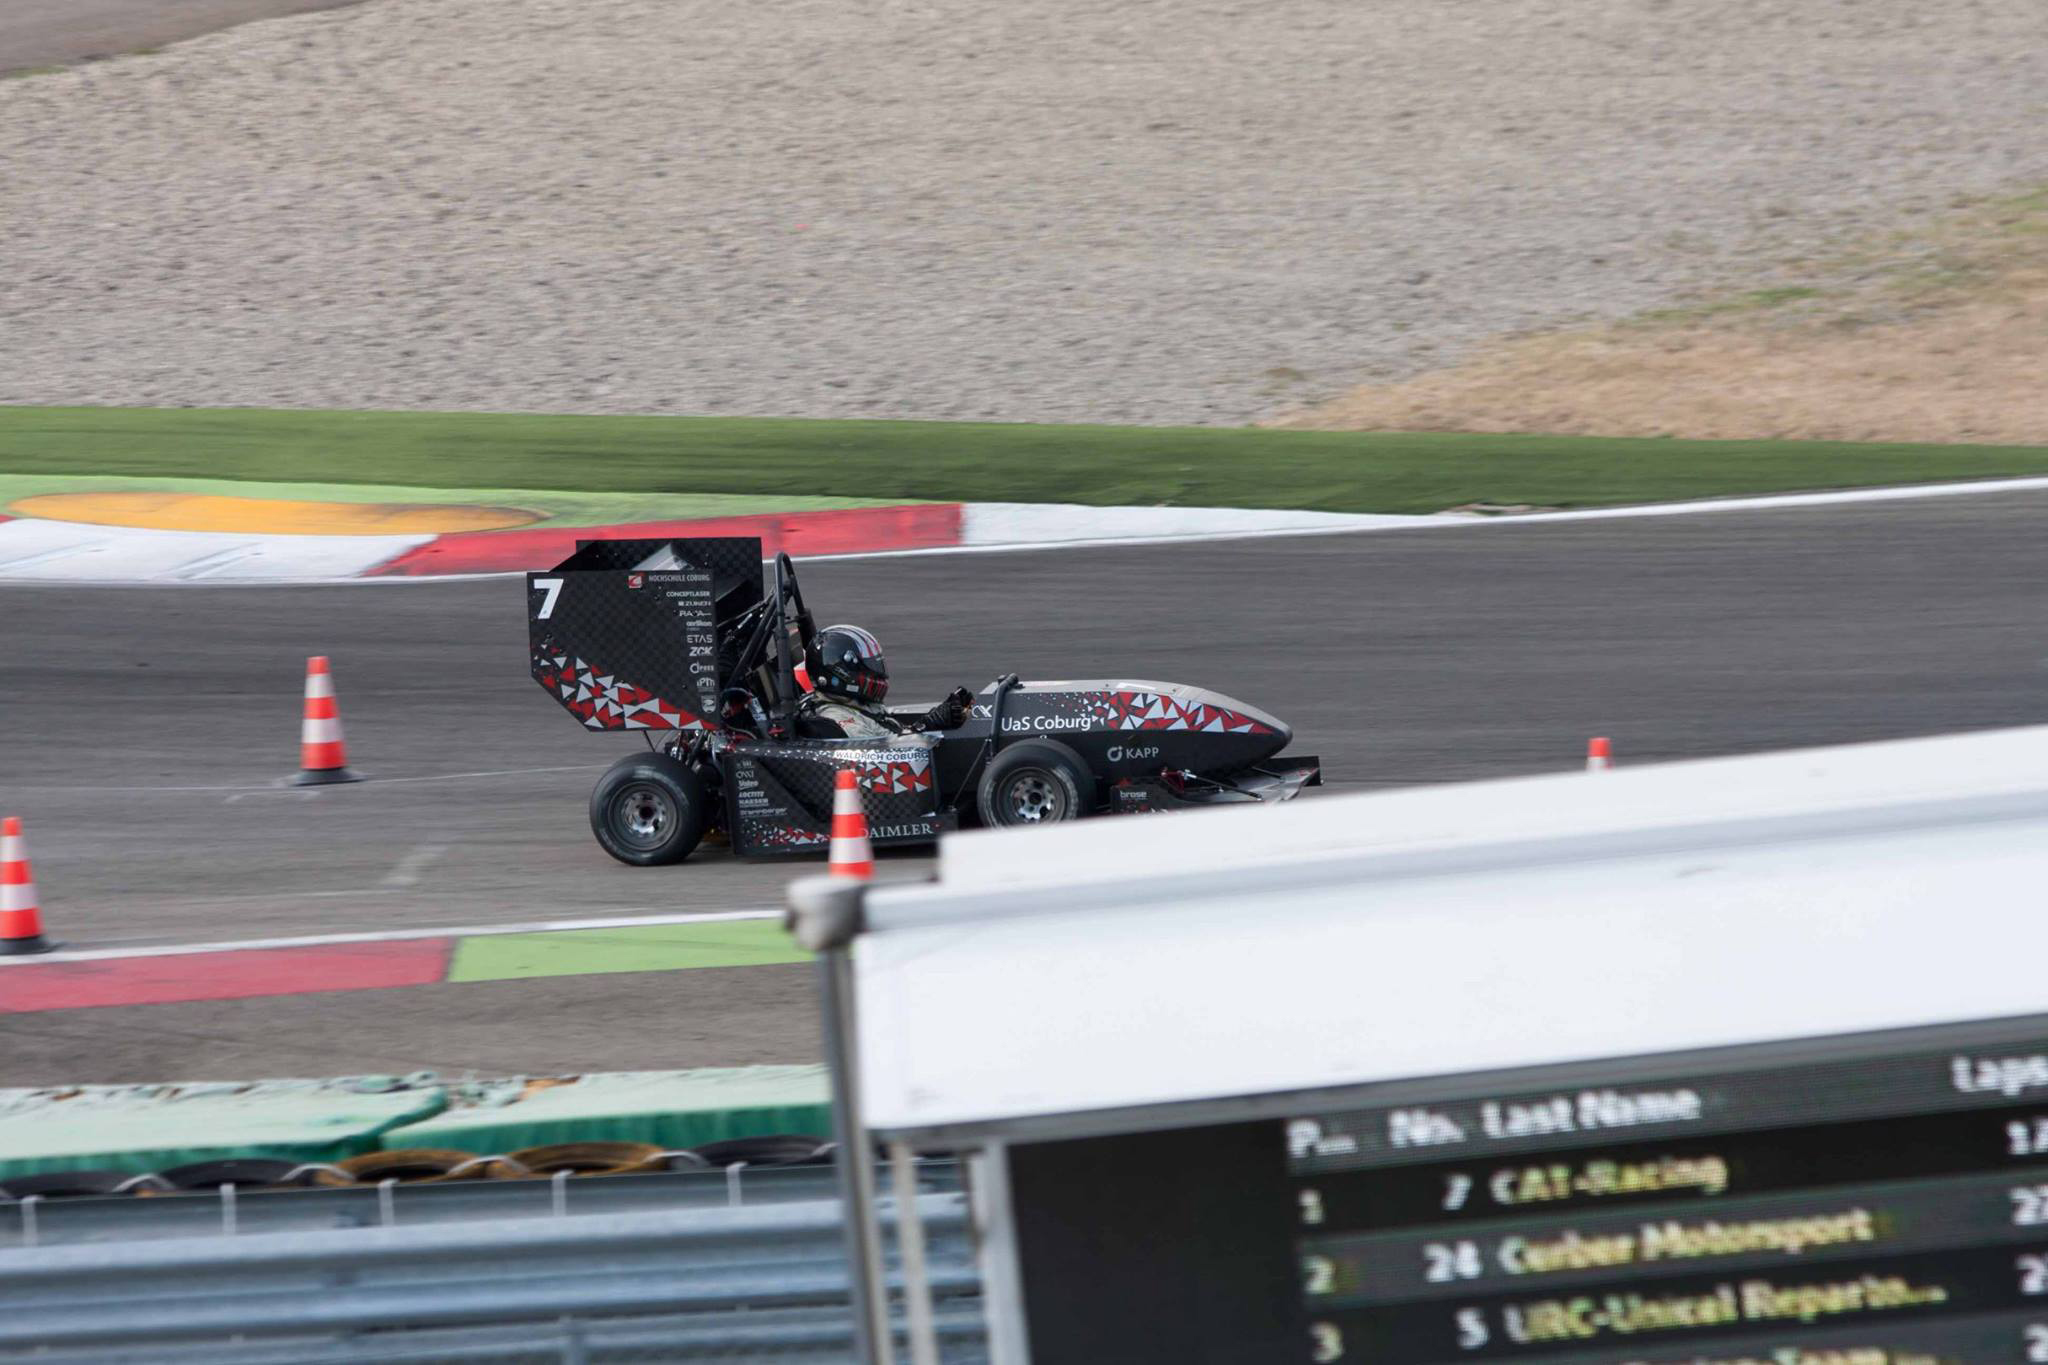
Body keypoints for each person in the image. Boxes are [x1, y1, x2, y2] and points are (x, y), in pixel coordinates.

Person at [797, 624, 970, 739]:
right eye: (868, 666)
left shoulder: (856, 704)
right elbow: (886, 754)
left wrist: (931, 722)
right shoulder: (839, 719)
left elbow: (891, 730)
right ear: (841, 673)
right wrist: (928, 725)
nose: (876, 672)